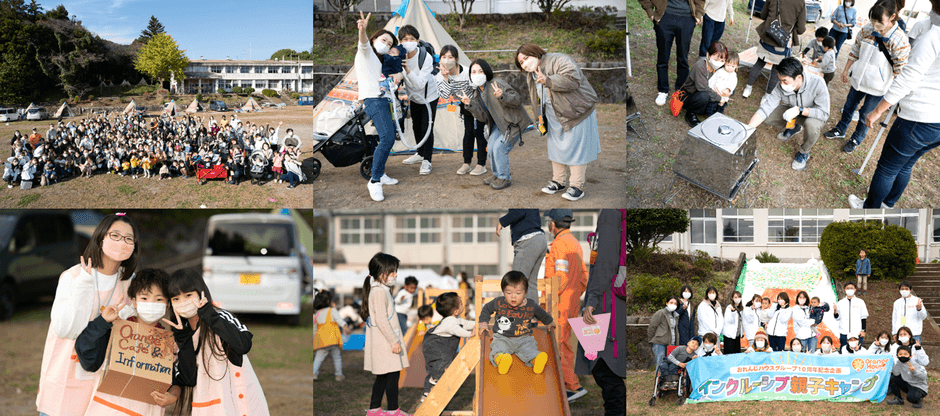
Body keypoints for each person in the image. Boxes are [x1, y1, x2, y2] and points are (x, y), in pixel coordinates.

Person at [37, 214, 139, 416]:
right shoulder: (73, 276)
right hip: (66, 374)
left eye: (129, 239)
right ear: (101, 238)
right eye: (115, 235)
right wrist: (83, 286)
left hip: (105, 383)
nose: (122, 242)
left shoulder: (131, 283)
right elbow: (66, 328)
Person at [849, 1, 940, 208]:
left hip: (919, 117)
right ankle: (888, 203)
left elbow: (908, 77)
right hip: (937, 124)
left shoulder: (934, 36)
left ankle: (869, 210)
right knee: (906, 164)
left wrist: (877, 111)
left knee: (887, 168)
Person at [75, 268, 196, 415]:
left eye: (159, 299)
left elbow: (179, 379)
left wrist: (173, 396)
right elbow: (87, 356)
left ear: (167, 305)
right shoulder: (117, 330)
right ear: (134, 302)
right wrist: (103, 321)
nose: (151, 303)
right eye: (144, 298)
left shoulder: (170, 343)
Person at [163, 269, 269, 416]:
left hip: (238, 405)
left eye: (188, 295)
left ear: (201, 293)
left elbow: (243, 345)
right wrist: (182, 338)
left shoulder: (220, 316)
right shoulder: (179, 334)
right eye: (176, 299)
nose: (183, 302)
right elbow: (188, 378)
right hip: (207, 407)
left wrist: (209, 315)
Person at [824, 0, 910, 155]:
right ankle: (840, 129)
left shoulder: (899, 40)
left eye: (880, 21)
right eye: (873, 20)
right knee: (849, 106)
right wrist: (846, 70)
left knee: (865, 114)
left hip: (878, 87)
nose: (875, 24)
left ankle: (856, 139)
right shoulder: (868, 28)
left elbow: (901, 70)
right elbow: (855, 49)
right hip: (859, 80)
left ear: (892, 17)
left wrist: (892, 95)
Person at [517, 44, 601, 201]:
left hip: (576, 112)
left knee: (577, 149)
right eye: (521, 63)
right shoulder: (531, 73)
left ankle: (576, 186)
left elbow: (573, 79)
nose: (524, 64)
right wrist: (539, 119)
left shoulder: (559, 59)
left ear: (535, 53)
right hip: (552, 114)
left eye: (526, 58)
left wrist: (549, 80)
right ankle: (558, 181)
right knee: (556, 148)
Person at [575, 209, 626, 416]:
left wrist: (591, 300)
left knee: (603, 368)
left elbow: (604, 261)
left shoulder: (611, 214)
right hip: (617, 298)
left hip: (607, 302)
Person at [459, 59, 531, 190]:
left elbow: (518, 100)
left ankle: (504, 177)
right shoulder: (477, 93)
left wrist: (502, 95)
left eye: (480, 71)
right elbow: (482, 118)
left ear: (486, 72)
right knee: (491, 147)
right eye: (473, 72)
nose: (477, 74)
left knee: (499, 148)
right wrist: (470, 105)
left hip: (512, 123)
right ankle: (497, 174)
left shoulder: (496, 84)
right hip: (498, 125)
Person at [746, 57, 830, 171]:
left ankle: (804, 152)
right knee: (768, 117)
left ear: (798, 77)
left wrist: (800, 110)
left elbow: (824, 113)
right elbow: (766, 107)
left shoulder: (817, 83)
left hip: (812, 115)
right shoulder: (781, 85)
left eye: (785, 81)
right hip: (793, 111)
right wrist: (747, 129)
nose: (781, 84)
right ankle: (793, 127)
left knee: (812, 126)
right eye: (779, 79)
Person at [542, 209, 589, 401]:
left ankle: (572, 387)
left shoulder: (559, 244)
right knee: (567, 345)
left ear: (553, 224)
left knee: (557, 343)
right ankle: (571, 385)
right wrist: (574, 295)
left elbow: (559, 277)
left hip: (559, 302)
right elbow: (584, 277)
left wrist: (550, 301)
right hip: (572, 302)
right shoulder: (575, 244)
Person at [356, 12, 402, 202]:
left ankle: (380, 174)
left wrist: (398, 77)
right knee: (387, 137)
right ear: (375, 39)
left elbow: (388, 80)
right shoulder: (366, 52)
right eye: (384, 40)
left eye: (390, 44)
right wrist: (363, 30)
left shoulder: (381, 61)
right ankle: (374, 181)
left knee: (388, 138)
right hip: (373, 100)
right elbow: (364, 43)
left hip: (383, 100)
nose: (387, 45)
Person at [360, 253, 410, 416]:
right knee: (392, 376)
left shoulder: (380, 290)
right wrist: (394, 341)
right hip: (386, 342)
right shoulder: (379, 292)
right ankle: (393, 410)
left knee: (383, 376)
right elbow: (382, 320)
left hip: (384, 341)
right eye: (392, 271)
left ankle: (374, 410)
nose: (395, 275)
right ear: (381, 272)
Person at [478, 271, 556, 375]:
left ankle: (536, 360)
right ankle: (502, 360)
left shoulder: (530, 305)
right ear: (503, 291)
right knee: (497, 348)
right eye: (508, 293)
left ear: (525, 292)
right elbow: (486, 309)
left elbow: (541, 314)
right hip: (502, 337)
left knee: (530, 350)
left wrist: (549, 322)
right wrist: (483, 323)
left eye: (518, 293)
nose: (513, 297)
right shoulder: (499, 302)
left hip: (524, 338)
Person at [638, 0, 706, 106]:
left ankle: (680, 90)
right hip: (665, 17)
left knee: (683, 57)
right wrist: (650, 12)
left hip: (687, 19)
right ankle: (663, 90)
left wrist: (698, 14)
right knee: (663, 57)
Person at [436, 45, 487, 176]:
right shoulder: (439, 76)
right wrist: (446, 78)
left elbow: (478, 87)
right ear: (440, 59)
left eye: (450, 57)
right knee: (468, 133)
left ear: (456, 58)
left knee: (479, 133)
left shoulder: (466, 71)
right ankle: (467, 163)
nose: (447, 60)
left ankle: (481, 164)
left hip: (478, 105)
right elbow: (446, 95)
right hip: (465, 106)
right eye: (444, 57)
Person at [396, 25, 440, 176]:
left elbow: (420, 83)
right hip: (414, 97)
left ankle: (427, 160)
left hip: (429, 97)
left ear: (417, 40)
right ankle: (420, 153)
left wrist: (407, 70)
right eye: (405, 39)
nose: (408, 42)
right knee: (416, 126)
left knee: (426, 127)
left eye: (412, 39)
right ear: (399, 41)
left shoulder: (425, 57)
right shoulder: (398, 55)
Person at [741, 0, 807, 97]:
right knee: (776, 69)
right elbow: (801, 29)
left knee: (759, 63)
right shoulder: (801, 2)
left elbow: (763, 15)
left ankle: (748, 88)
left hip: (768, 35)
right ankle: (767, 96)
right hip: (782, 40)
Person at [420, 292, 475, 403]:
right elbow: (458, 331)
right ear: (455, 311)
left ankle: (427, 392)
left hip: (440, 345)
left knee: (442, 364)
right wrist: (470, 334)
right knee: (443, 362)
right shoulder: (450, 322)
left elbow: (467, 324)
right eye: (460, 302)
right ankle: (434, 380)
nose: (462, 304)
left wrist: (478, 324)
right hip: (434, 345)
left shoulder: (455, 319)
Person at [497, 209, 547, 302]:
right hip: (539, 238)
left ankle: (518, 316)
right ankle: (533, 315)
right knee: (530, 284)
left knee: (516, 282)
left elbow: (519, 211)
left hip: (527, 240)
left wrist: (502, 221)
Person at [679, 41, 731, 127]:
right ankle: (691, 113)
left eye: (722, 60)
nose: (719, 63)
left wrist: (728, 90)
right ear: (708, 55)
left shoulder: (721, 68)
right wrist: (719, 98)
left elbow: (730, 79)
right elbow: (702, 88)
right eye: (716, 59)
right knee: (704, 96)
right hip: (690, 94)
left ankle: (708, 109)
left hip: (709, 92)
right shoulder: (700, 66)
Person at [314, 290, 351, 382]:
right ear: (328, 301)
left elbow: (315, 328)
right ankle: (338, 375)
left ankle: (314, 374)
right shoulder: (332, 311)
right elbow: (339, 320)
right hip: (332, 338)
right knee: (337, 357)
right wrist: (345, 327)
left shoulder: (317, 313)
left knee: (318, 357)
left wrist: (314, 339)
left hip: (322, 340)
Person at [648, 296, 681, 373]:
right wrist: (652, 340)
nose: (673, 304)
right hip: (660, 343)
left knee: (670, 363)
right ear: (666, 303)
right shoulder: (660, 313)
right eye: (671, 302)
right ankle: (658, 381)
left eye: (675, 303)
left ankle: (667, 381)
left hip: (671, 343)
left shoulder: (676, 316)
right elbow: (652, 327)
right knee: (660, 363)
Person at [833, 282, 868, 350]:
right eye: (848, 288)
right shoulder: (840, 303)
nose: (850, 290)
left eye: (851, 288)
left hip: (857, 332)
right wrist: (835, 311)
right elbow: (837, 317)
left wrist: (863, 330)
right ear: (844, 290)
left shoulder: (860, 302)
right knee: (844, 351)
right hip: (844, 332)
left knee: (857, 352)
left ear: (855, 290)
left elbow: (863, 317)